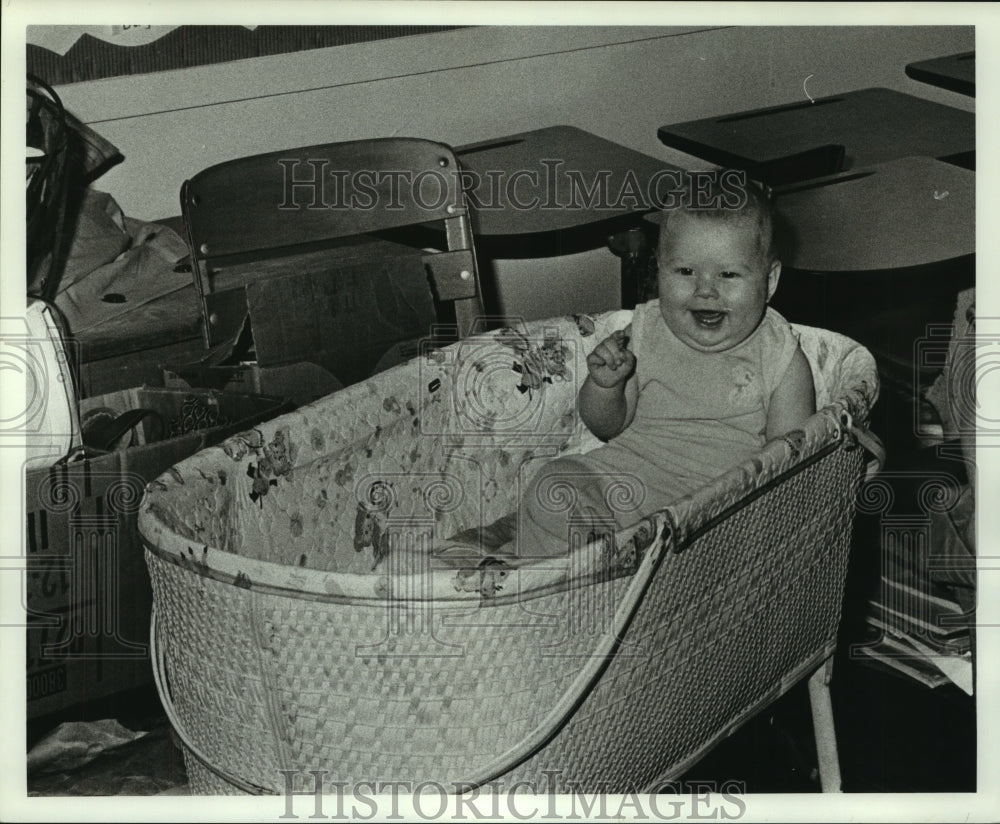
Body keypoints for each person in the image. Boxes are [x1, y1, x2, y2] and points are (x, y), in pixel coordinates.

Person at [517, 171, 816, 559]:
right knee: (552, 484)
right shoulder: (645, 331)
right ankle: (563, 592)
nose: (705, 289)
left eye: (728, 274)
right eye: (685, 271)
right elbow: (606, 426)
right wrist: (605, 386)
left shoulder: (779, 355)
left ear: (769, 279)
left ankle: (609, 583)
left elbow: (790, 463)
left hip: (709, 511)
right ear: (658, 270)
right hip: (621, 486)